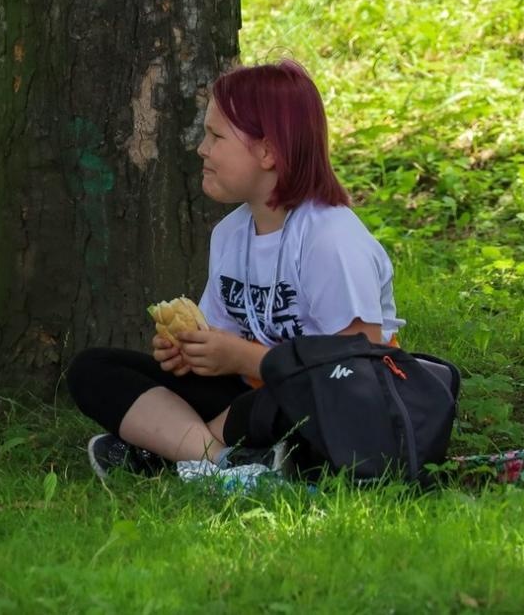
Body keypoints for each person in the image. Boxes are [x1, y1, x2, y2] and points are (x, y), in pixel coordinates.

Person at [67, 59, 401, 478]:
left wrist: (247, 359)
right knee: (94, 370)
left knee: (287, 398)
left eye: (216, 136)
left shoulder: (329, 236)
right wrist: (195, 354)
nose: (201, 149)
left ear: (268, 151)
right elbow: (225, 341)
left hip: (322, 399)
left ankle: (168, 450)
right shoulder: (230, 233)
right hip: (246, 394)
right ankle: (225, 461)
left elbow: (361, 359)